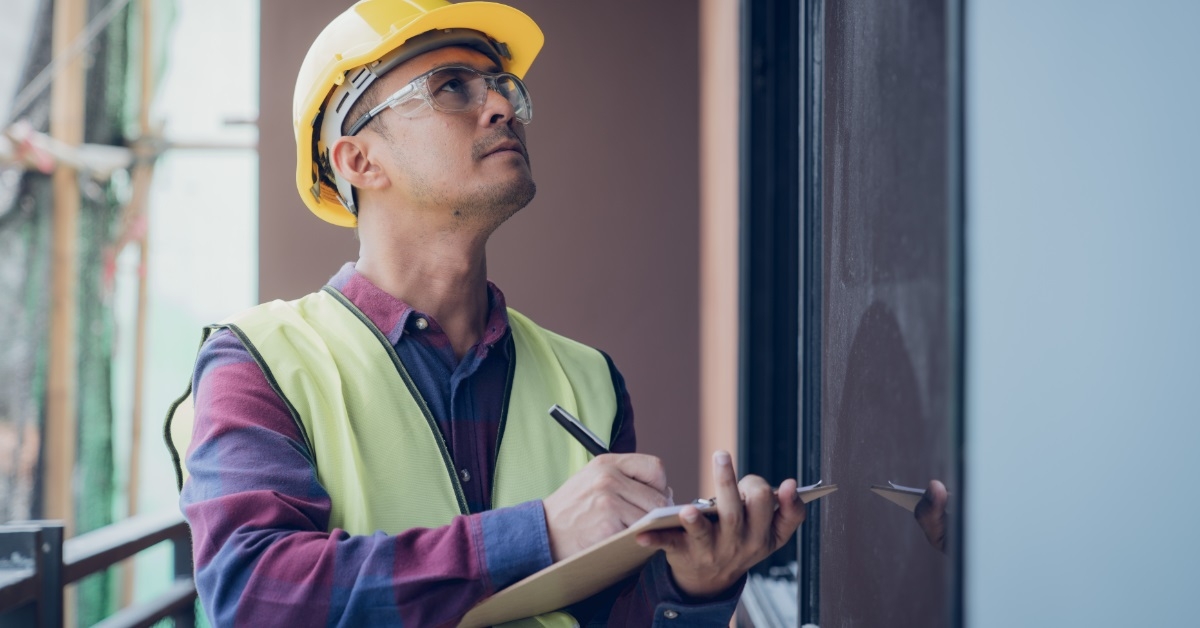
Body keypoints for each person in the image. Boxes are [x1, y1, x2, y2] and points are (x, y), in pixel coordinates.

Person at [164, 1, 807, 625]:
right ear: (358, 160)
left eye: (502, 88)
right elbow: (253, 593)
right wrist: (540, 533)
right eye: (451, 88)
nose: (502, 105)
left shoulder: (591, 383)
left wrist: (694, 586)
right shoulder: (259, 362)